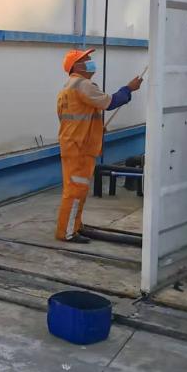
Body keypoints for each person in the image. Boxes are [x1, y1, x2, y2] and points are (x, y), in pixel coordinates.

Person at [56, 48, 143, 243]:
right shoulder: (82, 84)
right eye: (86, 59)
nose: (91, 62)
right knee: (75, 190)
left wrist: (94, 128)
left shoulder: (67, 87)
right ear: (76, 66)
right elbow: (110, 102)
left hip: (74, 145)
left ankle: (75, 226)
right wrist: (129, 89)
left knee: (78, 189)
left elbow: (75, 118)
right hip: (80, 147)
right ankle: (67, 232)